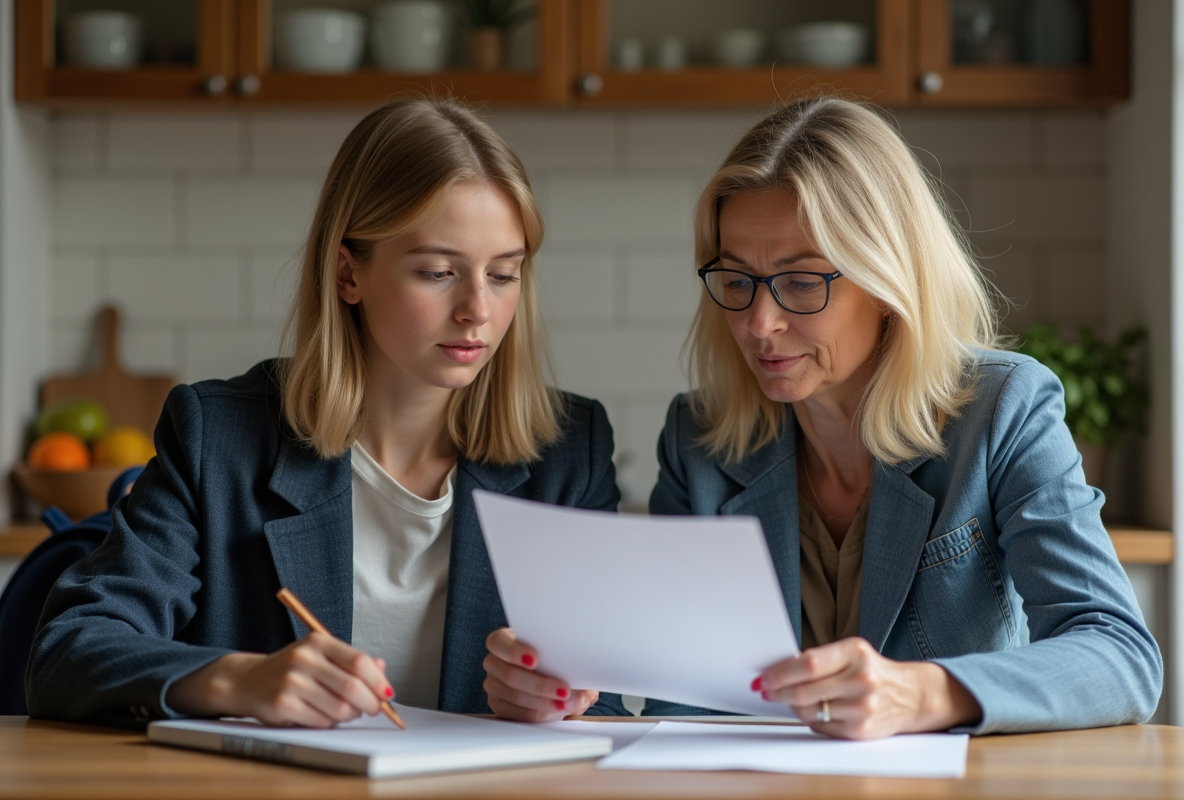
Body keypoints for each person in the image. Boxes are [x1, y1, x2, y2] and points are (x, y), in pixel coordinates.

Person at [487, 96, 1163, 736]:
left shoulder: (1002, 410)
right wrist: (572, 699)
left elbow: (1120, 655)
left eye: (803, 281)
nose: (759, 323)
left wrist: (923, 693)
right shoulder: (700, 442)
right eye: (737, 279)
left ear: (889, 282)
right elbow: (680, 706)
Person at [27, 98, 625, 728]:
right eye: (438, 271)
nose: (477, 309)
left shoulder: (569, 453)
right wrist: (238, 678)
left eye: (504, 275)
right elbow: (67, 652)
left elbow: (609, 703)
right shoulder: (219, 437)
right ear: (347, 274)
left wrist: (563, 703)